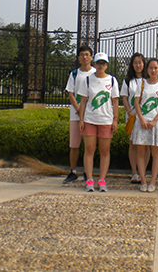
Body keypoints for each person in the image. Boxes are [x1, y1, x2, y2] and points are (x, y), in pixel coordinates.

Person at [77, 52, 119, 192]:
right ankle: (89, 179)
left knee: (104, 151)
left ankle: (102, 179)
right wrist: (81, 119)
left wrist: (115, 119)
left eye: (103, 63)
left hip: (106, 120)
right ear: (94, 64)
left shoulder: (112, 80)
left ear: (107, 65)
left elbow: (115, 102)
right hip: (90, 119)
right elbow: (83, 101)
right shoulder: (87, 80)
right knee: (89, 150)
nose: (101, 66)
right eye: (99, 63)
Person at [130, 58, 158, 192]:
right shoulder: (142, 84)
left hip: (156, 123)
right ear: (147, 70)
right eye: (151, 68)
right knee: (141, 152)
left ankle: (152, 181)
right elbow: (136, 103)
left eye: (156, 68)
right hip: (141, 122)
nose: (153, 70)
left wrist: (154, 120)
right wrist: (141, 119)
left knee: (156, 153)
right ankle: (143, 181)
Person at [63, 45, 95, 184]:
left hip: (91, 114)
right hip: (76, 114)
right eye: (82, 55)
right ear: (79, 58)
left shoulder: (95, 73)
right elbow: (70, 93)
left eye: (87, 54)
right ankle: (73, 171)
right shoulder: (75, 74)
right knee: (74, 144)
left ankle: (88, 171)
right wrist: (78, 108)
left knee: (89, 146)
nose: (85, 57)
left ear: (91, 57)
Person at [120, 52, 147, 183]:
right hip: (132, 117)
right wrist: (129, 112)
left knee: (145, 145)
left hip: (146, 117)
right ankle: (134, 172)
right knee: (133, 144)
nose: (138, 65)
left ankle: (143, 172)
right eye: (135, 63)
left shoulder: (148, 80)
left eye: (140, 63)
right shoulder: (127, 81)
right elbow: (125, 98)